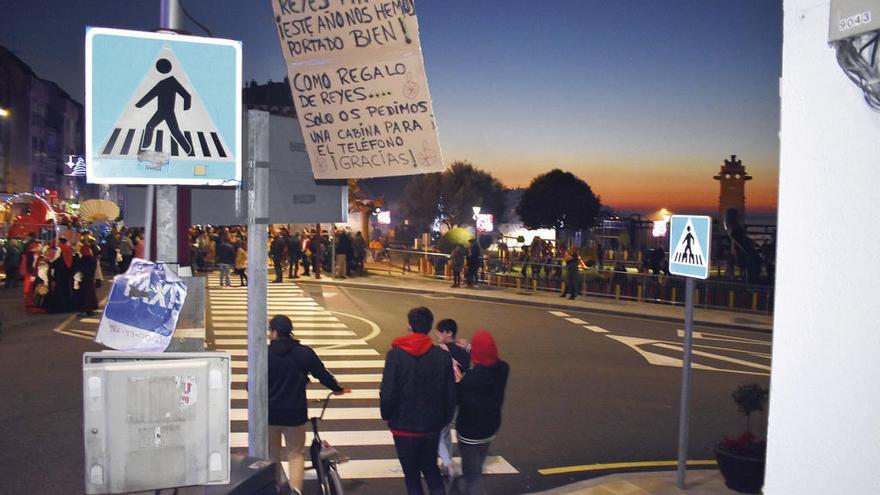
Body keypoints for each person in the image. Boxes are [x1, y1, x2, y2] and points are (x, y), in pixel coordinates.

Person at [267, 315, 349, 494]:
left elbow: (251, 385)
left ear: (274, 332)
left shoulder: (264, 354)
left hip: (270, 415)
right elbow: (322, 374)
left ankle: (274, 488)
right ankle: (295, 490)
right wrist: (337, 388)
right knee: (295, 453)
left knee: (272, 455)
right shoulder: (303, 352)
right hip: (295, 413)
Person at [380, 307, 456, 495]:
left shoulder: (395, 355)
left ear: (410, 327)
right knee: (431, 469)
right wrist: (443, 419)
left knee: (411, 475)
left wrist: (387, 414)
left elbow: (388, 392)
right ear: (430, 328)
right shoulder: (442, 356)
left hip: (403, 426)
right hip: (431, 425)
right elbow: (450, 393)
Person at [456, 330, 509, 495]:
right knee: (477, 464)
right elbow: (489, 357)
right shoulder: (503, 368)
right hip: (490, 428)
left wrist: (458, 381)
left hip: (470, 433)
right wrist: (469, 348)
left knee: (473, 476)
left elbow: (457, 399)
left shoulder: (471, 379)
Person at [434, 319, 471, 479]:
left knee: (437, 431)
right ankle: (445, 462)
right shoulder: (464, 351)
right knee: (446, 429)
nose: (436, 335)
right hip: (458, 398)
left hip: (443, 397)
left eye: (439, 332)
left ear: (448, 333)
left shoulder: (439, 351)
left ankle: (447, 462)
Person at [73, 244, 98, 317]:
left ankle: (84, 310)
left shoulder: (82, 259)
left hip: (83, 279)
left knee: (83, 295)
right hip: (90, 279)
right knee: (90, 294)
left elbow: (79, 268)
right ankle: (90, 309)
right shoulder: (93, 259)